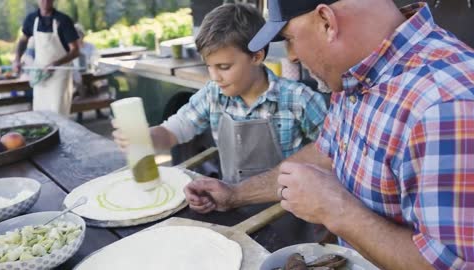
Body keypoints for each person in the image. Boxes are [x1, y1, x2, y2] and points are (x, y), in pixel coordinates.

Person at [184, 0, 474, 269]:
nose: (292, 56)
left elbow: (455, 263)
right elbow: (326, 152)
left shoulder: (445, 103)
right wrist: (235, 194)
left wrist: (335, 209)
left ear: (326, 21)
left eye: (289, 39)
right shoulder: (354, 75)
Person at [112, 3, 328, 184]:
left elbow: (331, 155)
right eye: (209, 66)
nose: (214, 76)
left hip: (291, 215)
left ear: (256, 56)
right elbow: (175, 130)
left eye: (224, 67)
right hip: (234, 206)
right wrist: (146, 138)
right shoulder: (213, 95)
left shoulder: (299, 99)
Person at [13, 0, 80, 116]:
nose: (45, 1)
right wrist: (17, 59)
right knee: (40, 111)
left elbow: (75, 51)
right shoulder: (31, 19)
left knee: (58, 111)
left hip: (60, 73)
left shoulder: (63, 20)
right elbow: (23, 40)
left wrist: (56, 63)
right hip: (40, 73)